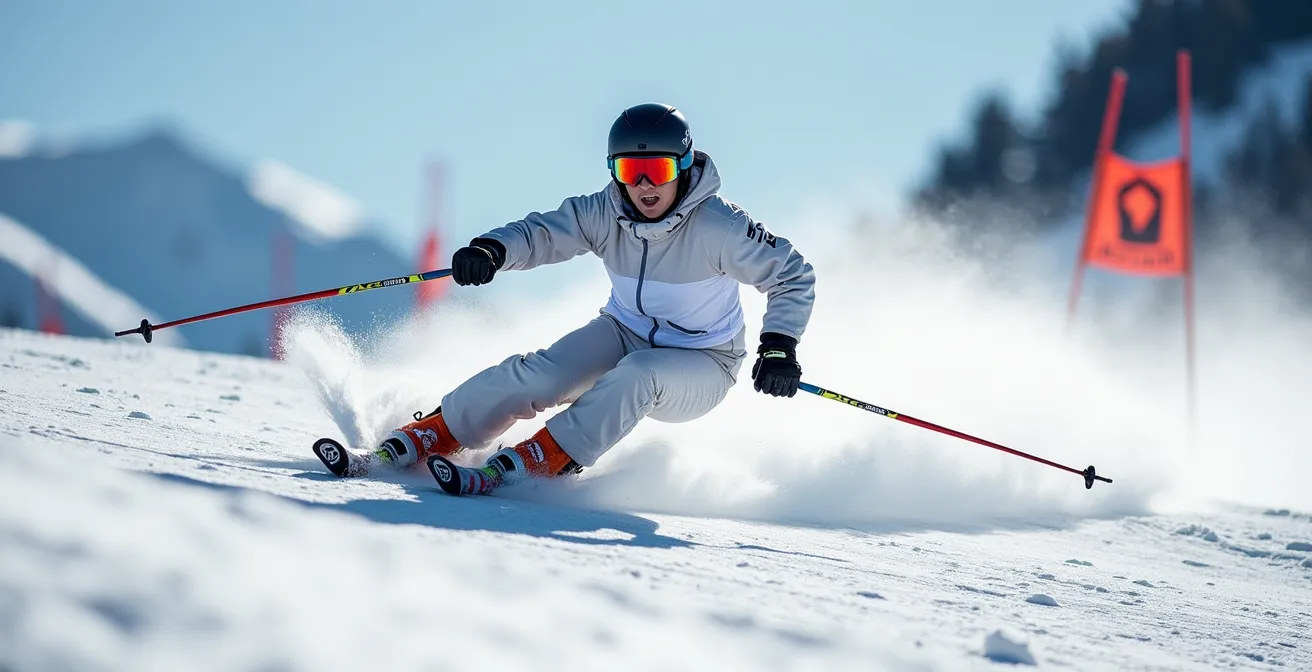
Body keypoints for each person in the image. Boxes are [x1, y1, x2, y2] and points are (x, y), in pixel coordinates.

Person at [377, 102, 816, 495]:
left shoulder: (720, 226)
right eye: (630, 171)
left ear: (682, 167)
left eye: (658, 171)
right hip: (623, 331)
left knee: (639, 374)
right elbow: (544, 233)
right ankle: (439, 430)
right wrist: (492, 250)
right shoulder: (607, 212)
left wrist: (779, 346)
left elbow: (792, 274)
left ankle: (548, 456)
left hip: (703, 360)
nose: (644, 186)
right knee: (542, 374)